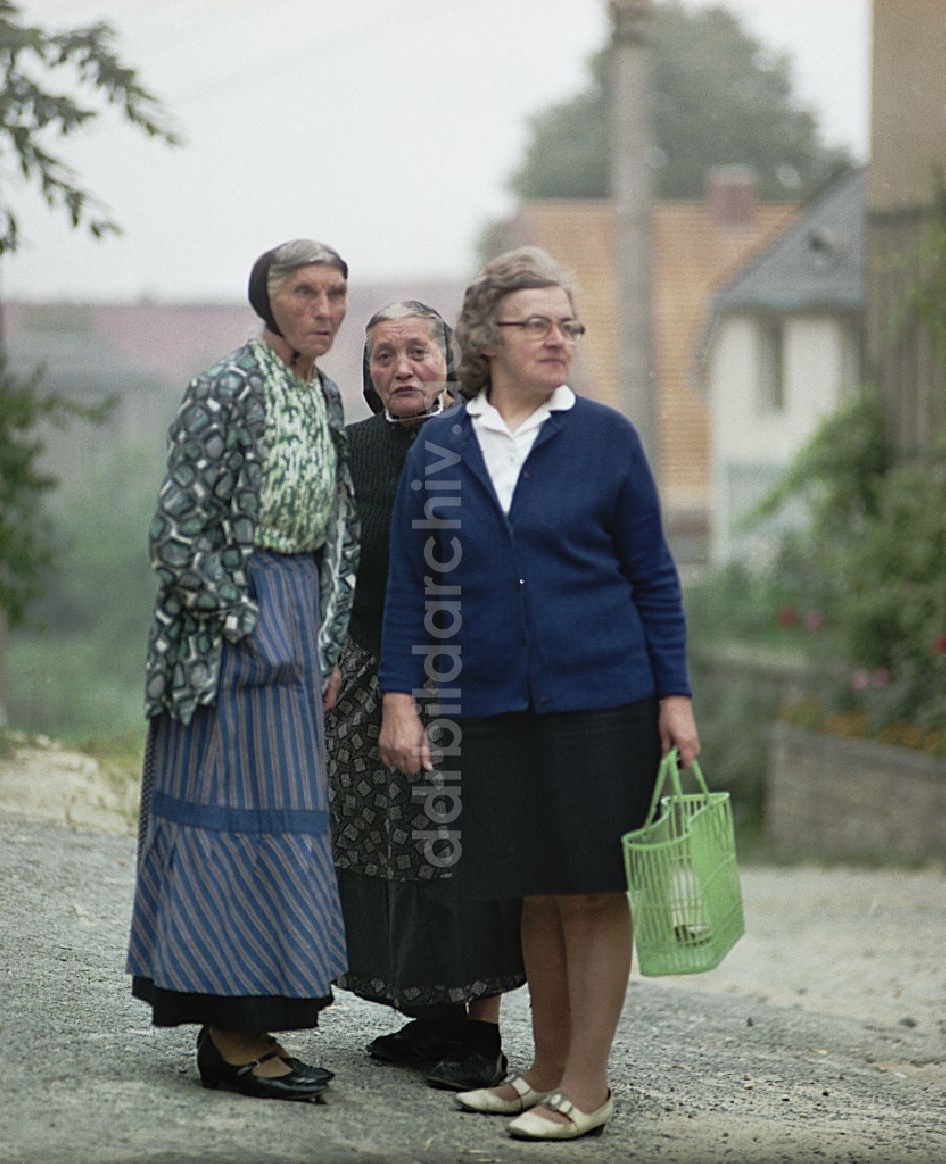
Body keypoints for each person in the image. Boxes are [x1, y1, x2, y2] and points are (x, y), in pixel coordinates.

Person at [378, 247, 700, 1142]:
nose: (559, 339)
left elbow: (654, 577)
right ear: (489, 338)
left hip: (604, 697)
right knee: (534, 888)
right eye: (539, 325)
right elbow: (412, 580)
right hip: (483, 700)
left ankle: (587, 1086)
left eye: (568, 324)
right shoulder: (443, 444)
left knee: (592, 889)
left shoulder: (606, 436)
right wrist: (399, 695)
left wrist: (674, 695)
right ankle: (546, 1070)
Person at [126, 239, 359, 1102]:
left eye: (337, 292)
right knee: (230, 826)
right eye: (306, 292)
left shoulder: (324, 394)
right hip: (227, 631)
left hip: (299, 620)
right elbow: (177, 534)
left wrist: (324, 642)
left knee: (286, 828)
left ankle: (252, 1026)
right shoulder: (225, 386)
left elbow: (342, 529)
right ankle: (230, 1035)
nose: (326, 309)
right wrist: (244, 626)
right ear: (268, 301)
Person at [327, 301, 525, 1092]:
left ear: (449, 358)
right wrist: (329, 650)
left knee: (459, 847)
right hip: (369, 671)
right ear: (368, 373)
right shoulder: (351, 453)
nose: (401, 368)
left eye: (417, 350)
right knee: (384, 844)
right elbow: (328, 558)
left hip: (465, 677)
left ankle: (479, 1031)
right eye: (383, 356)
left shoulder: (481, 444)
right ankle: (427, 1014)